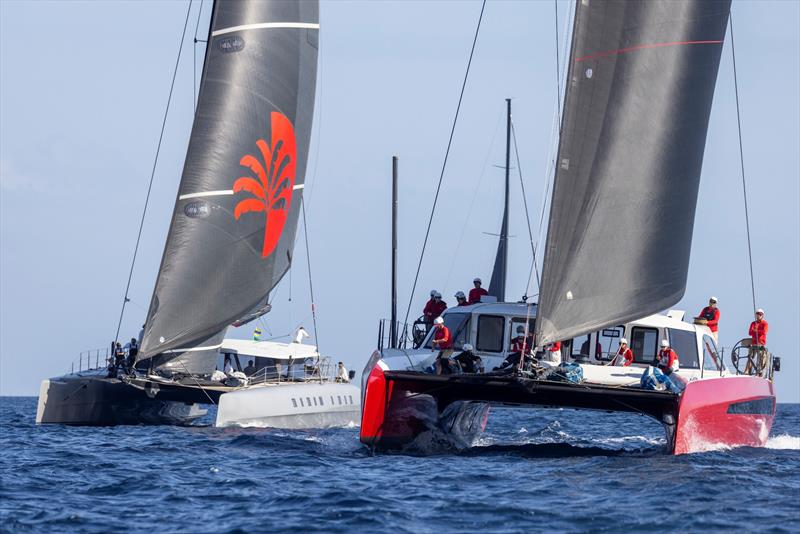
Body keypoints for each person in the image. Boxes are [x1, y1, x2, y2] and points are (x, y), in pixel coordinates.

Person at [747, 309, 769, 375]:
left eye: (760, 314)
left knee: (761, 359)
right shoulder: (753, 323)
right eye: (757, 314)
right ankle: (747, 371)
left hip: (761, 344)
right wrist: (757, 331)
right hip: (753, 344)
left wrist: (755, 331)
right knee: (750, 358)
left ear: (762, 315)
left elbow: (764, 332)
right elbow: (750, 332)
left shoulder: (765, 323)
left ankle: (760, 372)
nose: (758, 315)